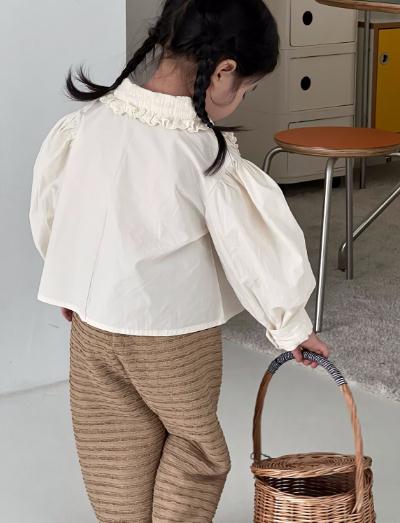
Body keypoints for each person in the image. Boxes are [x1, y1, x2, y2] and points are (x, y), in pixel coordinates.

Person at [29, 0, 330, 521]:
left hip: (92, 325)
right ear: (224, 71)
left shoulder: (89, 122)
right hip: (173, 336)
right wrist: (290, 325)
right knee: (195, 446)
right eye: (247, 89)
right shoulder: (202, 152)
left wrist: (69, 281)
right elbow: (251, 249)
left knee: (112, 445)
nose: (242, 100)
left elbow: (55, 206)